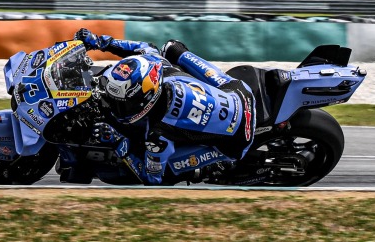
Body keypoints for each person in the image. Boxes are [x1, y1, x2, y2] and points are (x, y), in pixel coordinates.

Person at [74, 28, 257, 185]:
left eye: (123, 103)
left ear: (145, 99)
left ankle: (215, 165)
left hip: (237, 139)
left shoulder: (157, 134)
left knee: (168, 170)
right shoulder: (156, 63)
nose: (115, 106)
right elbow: (143, 47)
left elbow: (152, 178)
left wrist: (118, 142)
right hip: (238, 91)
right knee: (171, 48)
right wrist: (99, 42)